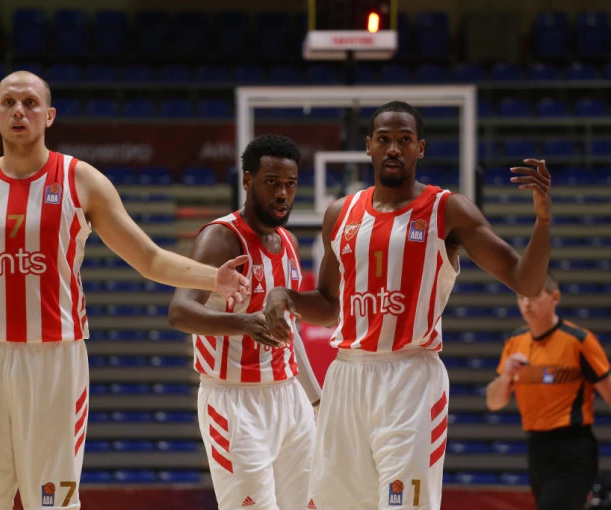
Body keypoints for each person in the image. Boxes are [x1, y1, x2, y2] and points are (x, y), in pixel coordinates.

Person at [0, 71, 249, 510]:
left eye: (30, 103)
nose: (19, 111)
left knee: (53, 501)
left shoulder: (81, 180)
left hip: (55, 362)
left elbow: (148, 257)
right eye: (9, 102)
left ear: (49, 115)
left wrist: (213, 278)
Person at [262, 100, 553, 510]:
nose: (394, 148)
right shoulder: (340, 214)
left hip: (410, 378)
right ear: (368, 146)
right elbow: (329, 306)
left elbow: (527, 281)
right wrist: (285, 297)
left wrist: (543, 220)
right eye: (384, 139)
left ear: (421, 148)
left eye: (404, 139)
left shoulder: (447, 209)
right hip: (346, 376)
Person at [168, 134, 319, 510]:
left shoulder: (289, 242)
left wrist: (316, 400)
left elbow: (290, 331)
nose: (282, 193)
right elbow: (179, 311)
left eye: (290, 184)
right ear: (248, 181)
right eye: (272, 182)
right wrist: (242, 323)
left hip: (290, 398)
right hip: (234, 402)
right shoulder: (220, 238)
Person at [486, 272, 611, 510]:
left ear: (555, 298)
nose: (526, 304)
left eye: (533, 296)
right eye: (521, 297)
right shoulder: (515, 341)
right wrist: (505, 377)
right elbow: (494, 402)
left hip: (573, 448)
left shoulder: (578, 340)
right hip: (536, 449)